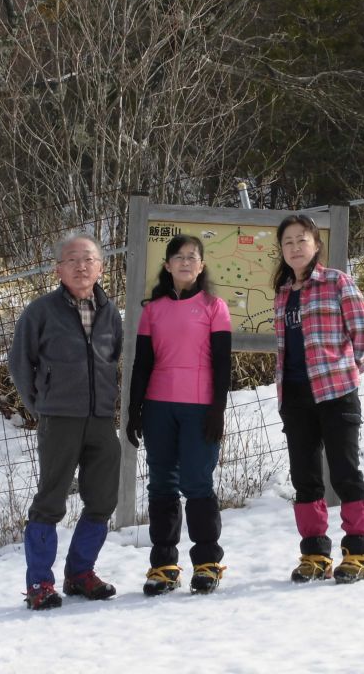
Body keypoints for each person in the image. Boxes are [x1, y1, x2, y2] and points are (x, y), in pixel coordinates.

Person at [9, 233, 124, 610]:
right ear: (58, 269)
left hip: (102, 419)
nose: (81, 266)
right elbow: (20, 364)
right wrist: (42, 405)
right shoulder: (40, 311)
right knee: (50, 501)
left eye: (88, 259)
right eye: (72, 260)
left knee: (103, 499)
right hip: (60, 419)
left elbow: (115, 358)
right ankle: (40, 584)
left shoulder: (110, 312)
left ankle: (81, 574)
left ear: (101, 267)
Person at [272, 213, 364, 584]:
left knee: (346, 472)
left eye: (302, 240)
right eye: (288, 242)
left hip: (336, 393)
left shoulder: (336, 281)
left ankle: (358, 551)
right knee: (306, 477)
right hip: (296, 397)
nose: (295, 247)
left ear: (316, 245)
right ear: (281, 251)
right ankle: (315, 552)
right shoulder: (283, 293)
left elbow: (363, 329)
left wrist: (350, 371)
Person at [126, 234, 232, 596]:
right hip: (158, 407)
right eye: (179, 257)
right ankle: (164, 565)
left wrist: (218, 409)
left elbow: (222, 364)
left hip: (199, 407)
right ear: (167, 265)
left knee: (198, 483)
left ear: (201, 266)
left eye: (193, 257)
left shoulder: (214, 307)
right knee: (161, 485)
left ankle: (207, 562)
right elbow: (142, 364)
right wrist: (133, 409)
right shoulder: (152, 310)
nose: (186, 262)